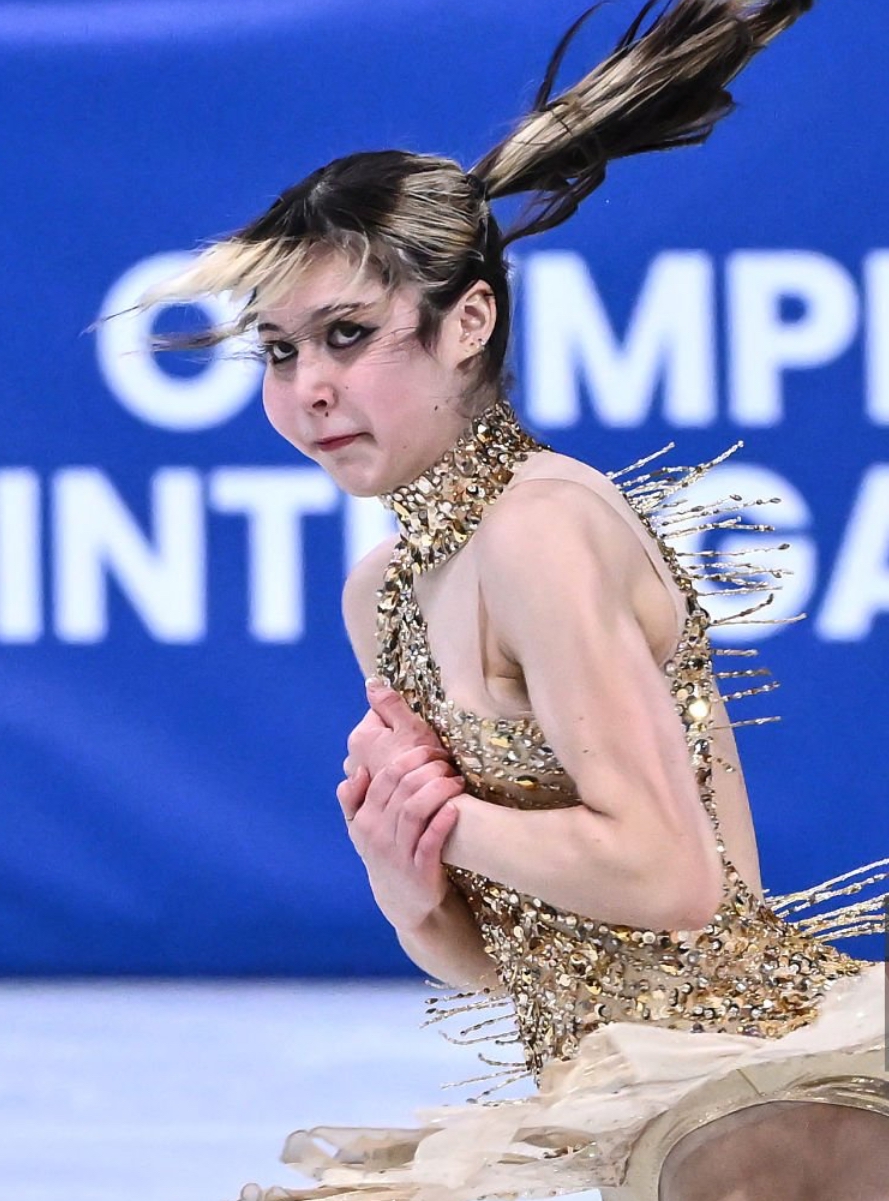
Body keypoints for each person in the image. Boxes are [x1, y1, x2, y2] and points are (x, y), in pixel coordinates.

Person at [143, 2, 889, 1197]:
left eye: (347, 335)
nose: (309, 388)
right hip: (608, 1092)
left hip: (746, 1079)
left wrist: (443, 818)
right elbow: (505, 957)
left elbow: (669, 878)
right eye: (280, 352)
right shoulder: (384, 591)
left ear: (468, 323)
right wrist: (404, 882)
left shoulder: (542, 528)